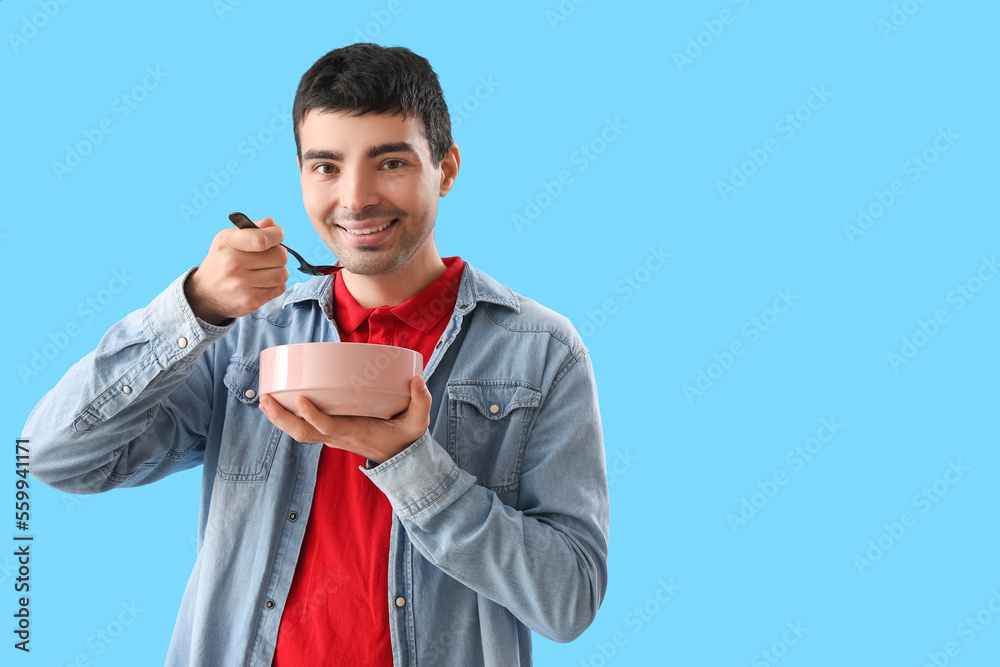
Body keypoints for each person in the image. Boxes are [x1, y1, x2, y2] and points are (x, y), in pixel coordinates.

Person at [24, 43, 609, 666]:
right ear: (302, 174)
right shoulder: (248, 338)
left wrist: (410, 464)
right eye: (326, 166)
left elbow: (568, 602)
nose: (355, 199)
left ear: (446, 168)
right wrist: (193, 309)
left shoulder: (540, 352)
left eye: (390, 162)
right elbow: (54, 457)